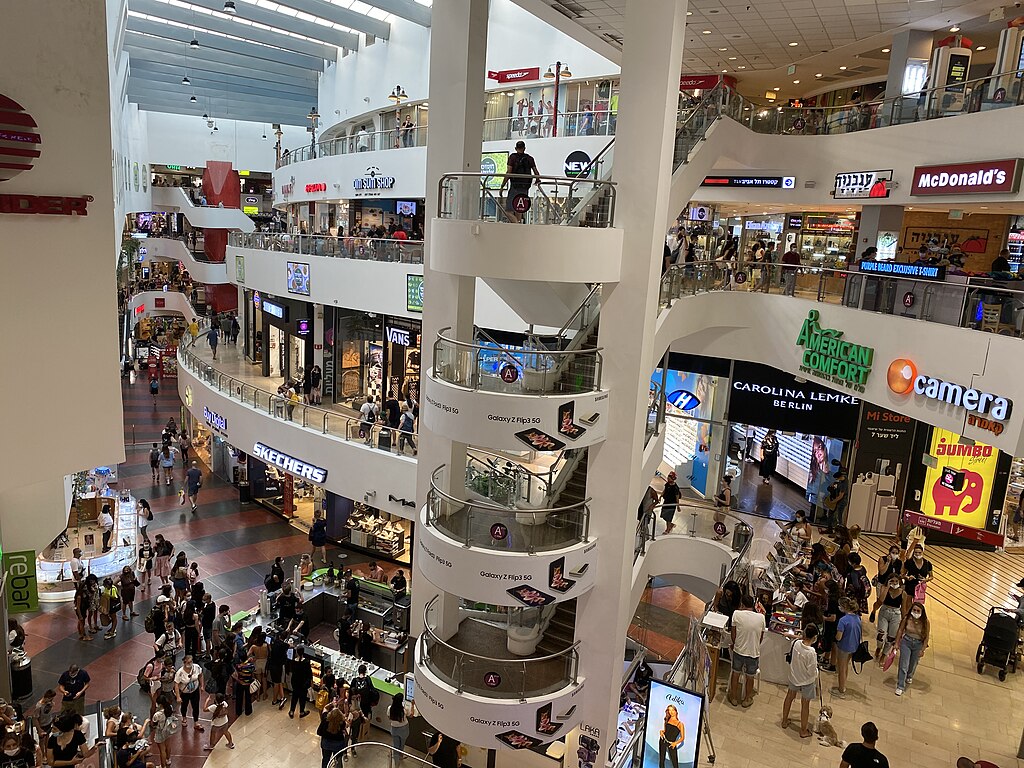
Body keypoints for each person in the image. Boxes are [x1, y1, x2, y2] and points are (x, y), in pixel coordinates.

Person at [781, 623, 818, 739]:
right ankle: (803, 730)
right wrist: (817, 671)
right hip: (807, 681)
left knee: (789, 697)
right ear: (815, 637)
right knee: (805, 704)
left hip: (794, 677)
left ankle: (784, 721)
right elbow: (812, 671)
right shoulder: (811, 652)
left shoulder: (796, 643)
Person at [728, 593, 765, 707]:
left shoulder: (736, 614)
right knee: (750, 677)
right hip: (753, 652)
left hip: (739, 650)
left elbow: (733, 634)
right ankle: (747, 698)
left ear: (742, 604)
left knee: (736, 673)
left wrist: (735, 644)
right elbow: (761, 637)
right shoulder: (761, 617)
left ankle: (733, 697)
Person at [894, 601, 929, 696]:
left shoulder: (925, 622)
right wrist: (897, 643)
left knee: (913, 663)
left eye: (918, 611)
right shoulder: (907, 619)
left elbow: (926, 636)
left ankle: (909, 675)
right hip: (906, 642)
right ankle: (900, 685)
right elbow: (900, 630)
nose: (916, 612)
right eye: (914, 610)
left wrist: (923, 649)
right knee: (903, 664)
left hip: (918, 644)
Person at [501, 140, 540, 224]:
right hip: (525, 187)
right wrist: (537, 180)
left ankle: (516, 224)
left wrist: (502, 185)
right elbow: (536, 173)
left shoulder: (513, 157)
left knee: (508, 211)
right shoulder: (529, 158)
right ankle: (518, 225)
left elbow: (509, 172)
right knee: (519, 209)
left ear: (516, 148)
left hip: (515, 186)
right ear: (524, 148)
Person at [831, 597, 862, 699]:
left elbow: (839, 637)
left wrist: (835, 637)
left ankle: (841, 690)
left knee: (841, 668)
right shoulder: (858, 618)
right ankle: (843, 685)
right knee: (845, 667)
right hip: (853, 646)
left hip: (844, 647)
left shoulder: (843, 620)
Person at [871, 575, 904, 664]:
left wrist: (903, 624)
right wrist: (887, 588)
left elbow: (903, 609)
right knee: (881, 635)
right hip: (884, 612)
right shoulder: (883, 588)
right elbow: (881, 601)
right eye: (892, 581)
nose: (894, 583)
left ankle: (884, 654)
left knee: (891, 637)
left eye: (896, 581)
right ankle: (879, 647)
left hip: (896, 615)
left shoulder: (902, 592)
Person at [174, 655, 204, 731]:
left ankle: (196, 722)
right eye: (188, 662)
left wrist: (202, 686)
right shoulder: (180, 672)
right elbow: (176, 684)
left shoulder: (196, 667)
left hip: (195, 691)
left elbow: (200, 675)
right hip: (185, 693)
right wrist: (178, 696)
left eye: (191, 661)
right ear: (184, 663)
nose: (190, 663)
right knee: (184, 706)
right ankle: (184, 717)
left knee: (196, 706)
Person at [902, 543, 933, 616]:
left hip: (920, 588)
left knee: (917, 605)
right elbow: (902, 574)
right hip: (909, 585)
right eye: (916, 552)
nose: (918, 554)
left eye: (919, 552)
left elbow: (931, 576)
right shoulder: (909, 562)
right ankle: (907, 619)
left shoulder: (927, 563)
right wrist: (908, 577)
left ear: (922, 552)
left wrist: (925, 580)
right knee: (908, 606)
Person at [150, 695, 177, 768]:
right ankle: (168, 759)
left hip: (160, 732)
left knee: (162, 750)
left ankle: (163, 766)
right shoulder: (170, 708)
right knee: (168, 745)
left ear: (160, 704)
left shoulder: (158, 714)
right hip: (168, 729)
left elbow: (154, 724)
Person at [288, 646, 313, 718]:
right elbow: (309, 673)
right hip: (303, 683)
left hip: (295, 682)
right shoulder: (306, 662)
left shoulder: (293, 661)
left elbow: (292, 671)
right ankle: (302, 712)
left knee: (294, 696)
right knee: (302, 697)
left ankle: (292, 711)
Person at [387, 692, 413, 756]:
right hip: (404, 728)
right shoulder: (403, 710)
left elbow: (388, 717)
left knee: (396, 745)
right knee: (402, 744)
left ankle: (396, 760)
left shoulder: (390, 708)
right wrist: (413, 705)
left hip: (394, 728)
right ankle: (401, 755)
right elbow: (411, 715)